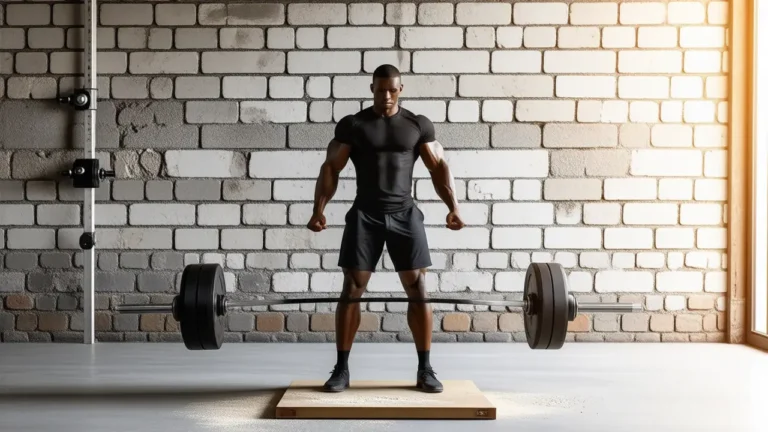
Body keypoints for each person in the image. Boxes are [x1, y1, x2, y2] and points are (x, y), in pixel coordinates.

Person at [305, 64, 465, 394]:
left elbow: (439, 167)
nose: (387, 95)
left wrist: (453, 208)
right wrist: (318, 210)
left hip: (405, 215)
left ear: (401, 89)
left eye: (392, 90)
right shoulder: (354, 125)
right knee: (352, 289)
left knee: (418, 289)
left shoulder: (417, 125)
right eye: (381, 90)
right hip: (366, 215)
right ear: (372, 88)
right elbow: (331, 166)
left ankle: (425, 369)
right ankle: (342, 369)